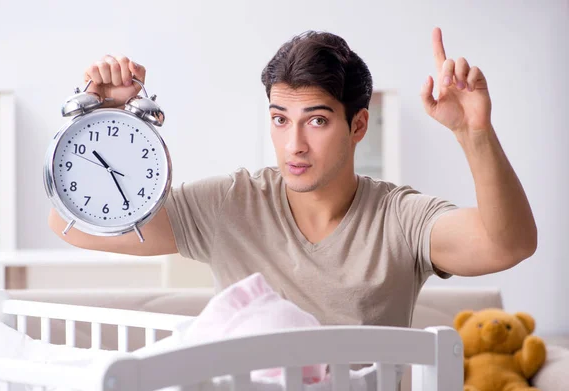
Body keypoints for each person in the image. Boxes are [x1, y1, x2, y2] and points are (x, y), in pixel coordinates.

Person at [49, 27, 537, 328]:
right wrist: (106, 116)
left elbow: (507, 245)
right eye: (280, 119)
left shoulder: (399, 219)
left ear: (358, 125)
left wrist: (474, 133)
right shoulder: (230, 203)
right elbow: (70, 224)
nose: (294, 144)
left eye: (318, 121)